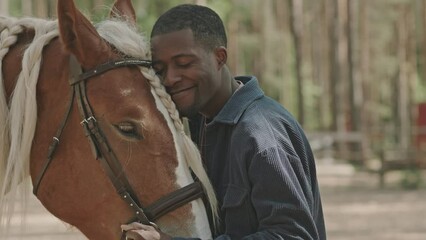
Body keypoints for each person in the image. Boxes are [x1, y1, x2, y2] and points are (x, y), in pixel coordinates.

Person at [122, 4, 326, 240]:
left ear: (219, 57)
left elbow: (292, 236)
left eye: (184, 63)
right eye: (160, 69)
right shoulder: (199, 125)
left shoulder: (261, 134)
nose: (170, 79)